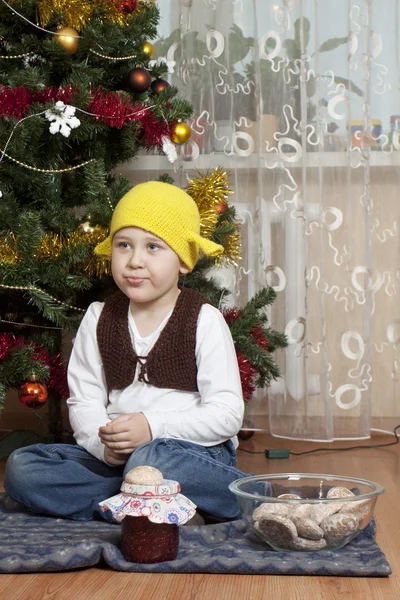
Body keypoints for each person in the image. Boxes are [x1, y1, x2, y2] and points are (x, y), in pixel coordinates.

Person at [4, 181, 247, 523]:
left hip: (188, 454)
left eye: (152, 247)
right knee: (23, 468)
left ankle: (240, 494)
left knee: (151, 460)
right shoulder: (99, 318)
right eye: (123, 245)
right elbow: (85, 401)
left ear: (183, 262)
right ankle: (152, 508)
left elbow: (226, 414)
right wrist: (102, 445)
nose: (134, 261)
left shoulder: (203, 320)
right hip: (115, 459)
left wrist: (152, 427)